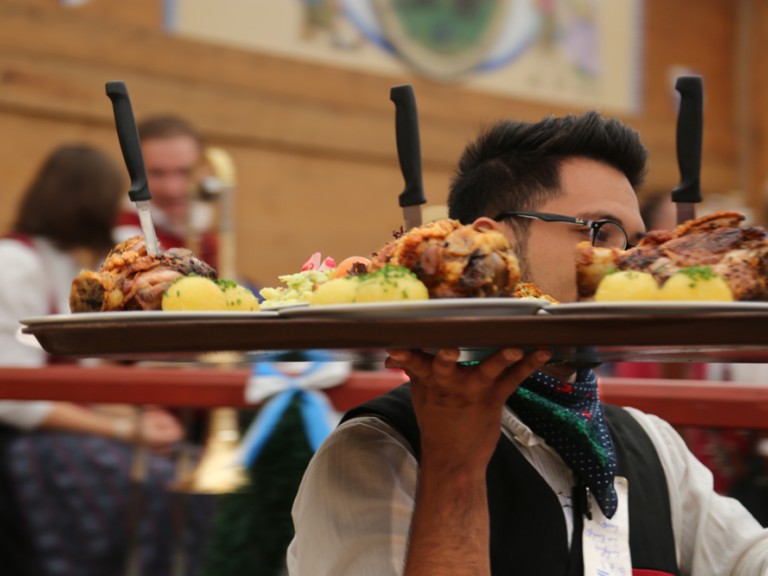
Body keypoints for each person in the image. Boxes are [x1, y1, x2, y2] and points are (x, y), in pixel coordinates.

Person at [287, 112, 768, 575]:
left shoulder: (654, 446)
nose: (625, 264)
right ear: (490, 243)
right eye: (601, 231)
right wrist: (455, 467)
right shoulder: (378, 450)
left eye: (638, 244)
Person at [0, 145, 209, 576]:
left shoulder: (63, 263)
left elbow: (82, 375)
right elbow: (17, 398)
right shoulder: (13, 264)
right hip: (21, 443)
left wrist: (140, 415)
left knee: (189, 466)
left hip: (61, 428)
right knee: (155, 484)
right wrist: (124, 427)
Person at [113, 114, 218, 266]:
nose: (172, 189)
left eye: (184, 172)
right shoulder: (123, 238)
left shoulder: (207, 239)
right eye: (157, 173)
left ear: (204, 170)